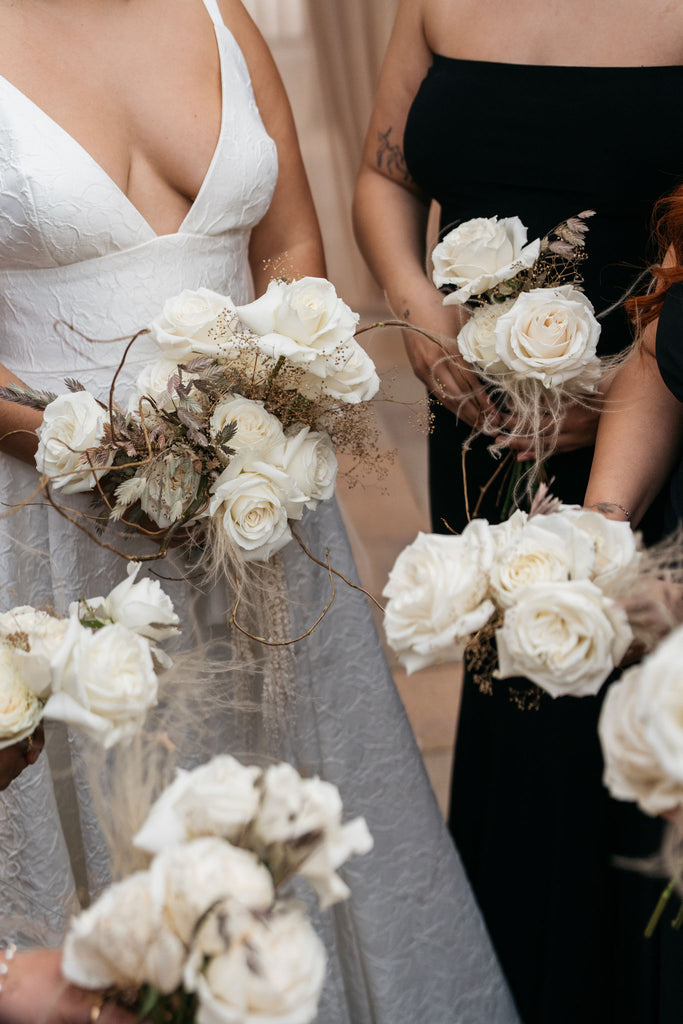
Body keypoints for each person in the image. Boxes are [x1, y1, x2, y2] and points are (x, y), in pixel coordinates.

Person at [0, 2, 519, 1021]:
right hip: (59, 526)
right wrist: (97, 459)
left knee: (306, 833)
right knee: (129, 842)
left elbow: (289, 246)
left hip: (258, 517)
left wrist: (263, 413)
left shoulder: (215, 13)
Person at [353, 2, 683, 1021]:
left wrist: (631, 379)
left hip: (643, 406)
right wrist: (416, 310)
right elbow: (384, 175)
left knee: (624, 728)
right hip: (478, 411)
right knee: (516, 702)